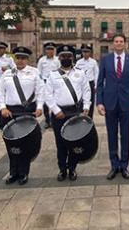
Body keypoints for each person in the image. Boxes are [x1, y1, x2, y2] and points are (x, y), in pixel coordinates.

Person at [0, 46, 44, 185]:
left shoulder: (35, 72)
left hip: (27, 111)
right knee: (11, 143)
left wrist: (40, 107)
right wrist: (2, 108)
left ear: (27, 59)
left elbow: (41, 91)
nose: (20, 61)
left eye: (23, 58)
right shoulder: (7, 74)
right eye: (18, 58)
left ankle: (23, 172)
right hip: (10, 112)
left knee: (25, 144)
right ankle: (13, 173)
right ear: (14, 59)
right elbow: (0, 92)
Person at [97, 33, 129, 180]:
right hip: (109, 103)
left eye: (121, 41)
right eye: (116, 41)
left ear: (125, 44)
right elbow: (99, 83)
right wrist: (99, 102)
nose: (119, 43)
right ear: (113, 44)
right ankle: (114, 165)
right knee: (111, 135)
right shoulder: (105, 60)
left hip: (126, 104)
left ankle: (124, 166)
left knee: (125, 135)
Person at [46, 45, 91, 181]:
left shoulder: (80, 73)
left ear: (73, 57)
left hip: (75, 111)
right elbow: (48, 94)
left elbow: (86, 90)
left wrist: (86, 106)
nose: (66, 58)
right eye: (63, 56)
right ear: (59, 58)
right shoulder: (52, 75)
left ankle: (72, 168)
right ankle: (62, 169)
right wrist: (56, 110)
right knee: (60, 142)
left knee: (74, 141)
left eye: (69, 56)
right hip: (59, 113)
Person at [37, 42, 60, 128]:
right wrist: (41, 84)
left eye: (51, 49)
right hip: (45, 82)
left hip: (55, 83)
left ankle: (55, 120)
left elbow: (60, 71)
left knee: (56, 101)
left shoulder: (57, 60)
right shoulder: (42, 60)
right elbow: (38, 72)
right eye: (48, 49)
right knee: (45, 103)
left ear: (54, 51)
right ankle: (47, 120)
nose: (49, 51)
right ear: (45, 50)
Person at [75, 43, 99, 118]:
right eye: (84, 52)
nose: (85, 54)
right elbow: (75, 73)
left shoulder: (93, 62)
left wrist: (96, 85)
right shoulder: (79, 62)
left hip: (90, 83)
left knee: (90, 102)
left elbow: (96, 74)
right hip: (81, 84)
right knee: (80, 101)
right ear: (82, 52)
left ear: (90, 53)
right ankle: (81, 117)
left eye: (87, 52)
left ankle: (89, 118)